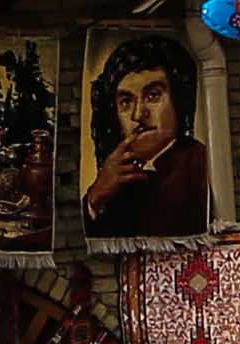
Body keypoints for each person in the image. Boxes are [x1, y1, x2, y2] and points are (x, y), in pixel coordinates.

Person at [82, 32, 213, 239]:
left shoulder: (197, 164)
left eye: (153, 96)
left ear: (178, 101)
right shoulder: (116, 174)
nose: (138, 115)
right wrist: (96, 196)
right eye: (126, 102)